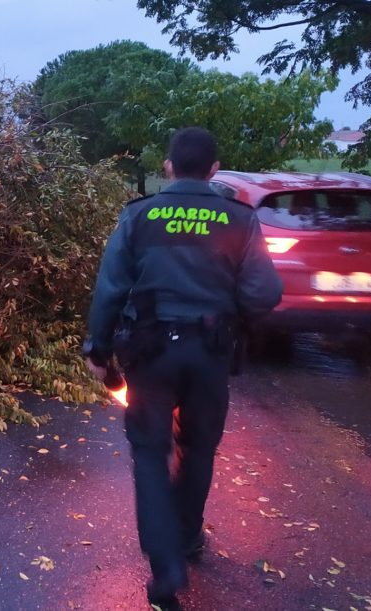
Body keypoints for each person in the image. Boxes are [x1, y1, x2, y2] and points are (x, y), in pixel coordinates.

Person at [83, 127, 283, 610]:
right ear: (214, 170)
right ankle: (188, 537)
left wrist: (97, 348)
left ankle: (166, 565)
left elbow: (110, 286)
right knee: (198, 448)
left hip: (150, 354)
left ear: (168, 167)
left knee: (150, 454)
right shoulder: (239, 219)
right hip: (211, 354)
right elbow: (264, 294)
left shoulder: (140, 215)